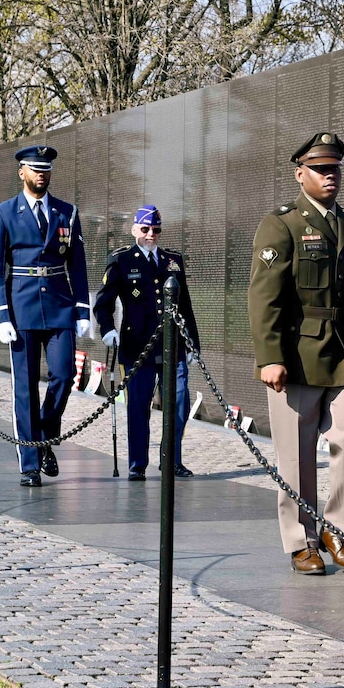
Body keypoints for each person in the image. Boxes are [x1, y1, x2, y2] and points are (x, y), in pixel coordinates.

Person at [248, 132, 344, 576]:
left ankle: (337, 529)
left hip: (340, 347)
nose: (330, 176)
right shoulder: (281, 223)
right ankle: (302, 538)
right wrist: (270, 356)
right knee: (296, 454)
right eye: (321, 169)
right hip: (295, 350)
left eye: (335, 169)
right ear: (299, 173)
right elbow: (263, 296)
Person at [0, 145, 91, 487]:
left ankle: (45, 433)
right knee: (26, 389)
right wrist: (1, 315)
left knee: (63, 376)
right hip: (22, 308)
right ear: (22, 172)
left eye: (45, 169)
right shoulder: (4, 213)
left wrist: (82, 309)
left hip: (59, 306)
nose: (41, 174)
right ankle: (30, 463)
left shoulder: (66, 212)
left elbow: (77, 263)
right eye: (35, 169)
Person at [93, 205, 200, 481]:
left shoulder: (173, 260)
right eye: (145, 229)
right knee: (139, 407)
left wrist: (192, 345)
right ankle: (138, 464)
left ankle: (172, 460)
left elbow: (185, 305)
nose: (151, 234)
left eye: (156, 230)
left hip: (172, 344)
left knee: (178, 405)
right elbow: (103, 303)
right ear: (134, 230)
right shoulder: (121, 260)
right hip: (136, 347)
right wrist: (107, 329)